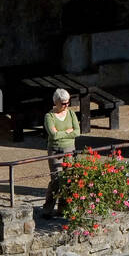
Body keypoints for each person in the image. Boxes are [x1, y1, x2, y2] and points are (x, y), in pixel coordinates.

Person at [41, 87, 81, 217]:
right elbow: (53, 135)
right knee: (56, 180)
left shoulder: (71, 114)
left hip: (70, 149)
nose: (66, 105)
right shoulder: (49, 116)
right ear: (56, 102)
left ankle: (64, 209)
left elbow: (77, 132)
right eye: (63, 103)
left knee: (69, 179)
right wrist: (68, 132)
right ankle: (48, 209)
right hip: (55, 150)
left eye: (68, 102)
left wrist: (62, 133)